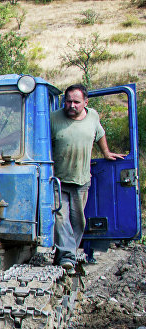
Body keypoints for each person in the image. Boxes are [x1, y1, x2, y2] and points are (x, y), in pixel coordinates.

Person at [51, 84, 125, 271]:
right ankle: (67, 257)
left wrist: (106, 152)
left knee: (78, 222)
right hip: (58, 180)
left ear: (85, 102)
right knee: (60, 218)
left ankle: (67, 254)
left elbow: (100, 134)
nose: (72, 105)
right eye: (68, 101)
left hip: (82, 179)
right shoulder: (53, 119)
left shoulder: (92, 116)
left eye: (76, 102)